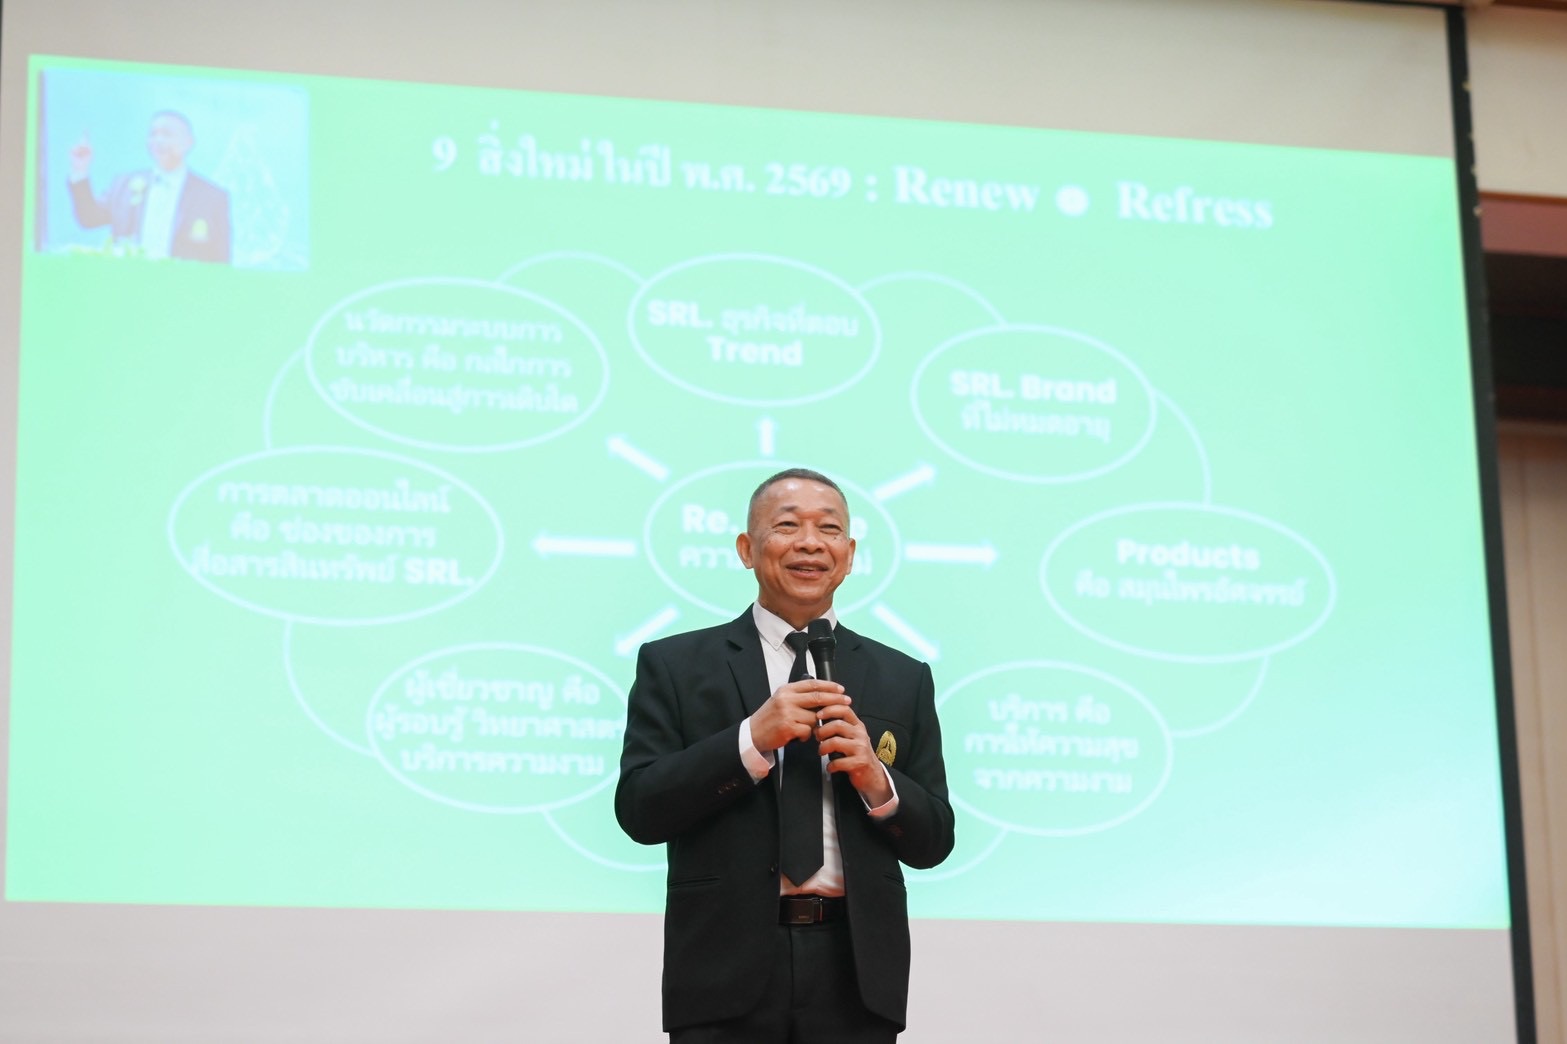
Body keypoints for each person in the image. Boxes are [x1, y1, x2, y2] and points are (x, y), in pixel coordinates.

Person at [617, 467, 955, 1042]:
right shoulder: (675, 666)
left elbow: (935, 842)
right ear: (747, 549)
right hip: (723, 969)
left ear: (849, 555)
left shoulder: (902, 677)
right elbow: (640, 811)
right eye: (787, 525)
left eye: (829, 529)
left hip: (855, 975)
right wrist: (751, 739)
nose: (810, 543)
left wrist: (877, 780)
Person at [67, 110, 231, 264]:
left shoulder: (211, 197)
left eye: (166, 134)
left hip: (182, 284)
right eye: (153, 134)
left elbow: (221, 259)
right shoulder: (124, 186)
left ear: (188, 142)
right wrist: (80, 171)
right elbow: (88, 218)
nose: (158, 140)